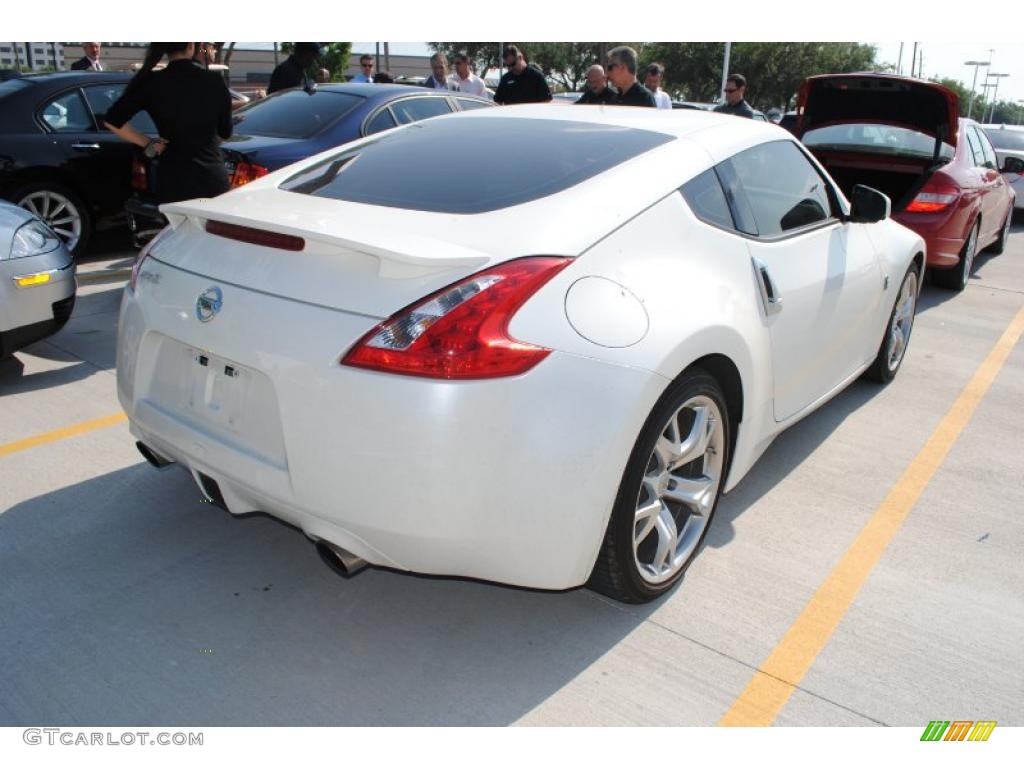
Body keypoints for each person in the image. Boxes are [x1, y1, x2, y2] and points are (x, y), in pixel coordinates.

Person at [104, 43, 232, 204]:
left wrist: (148, 143)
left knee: (176, 229)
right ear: (191, 46)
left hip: (173, 180)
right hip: (212, 177)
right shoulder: (214, 80)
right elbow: (225, 132)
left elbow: (112, 120)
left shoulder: (151, 82)